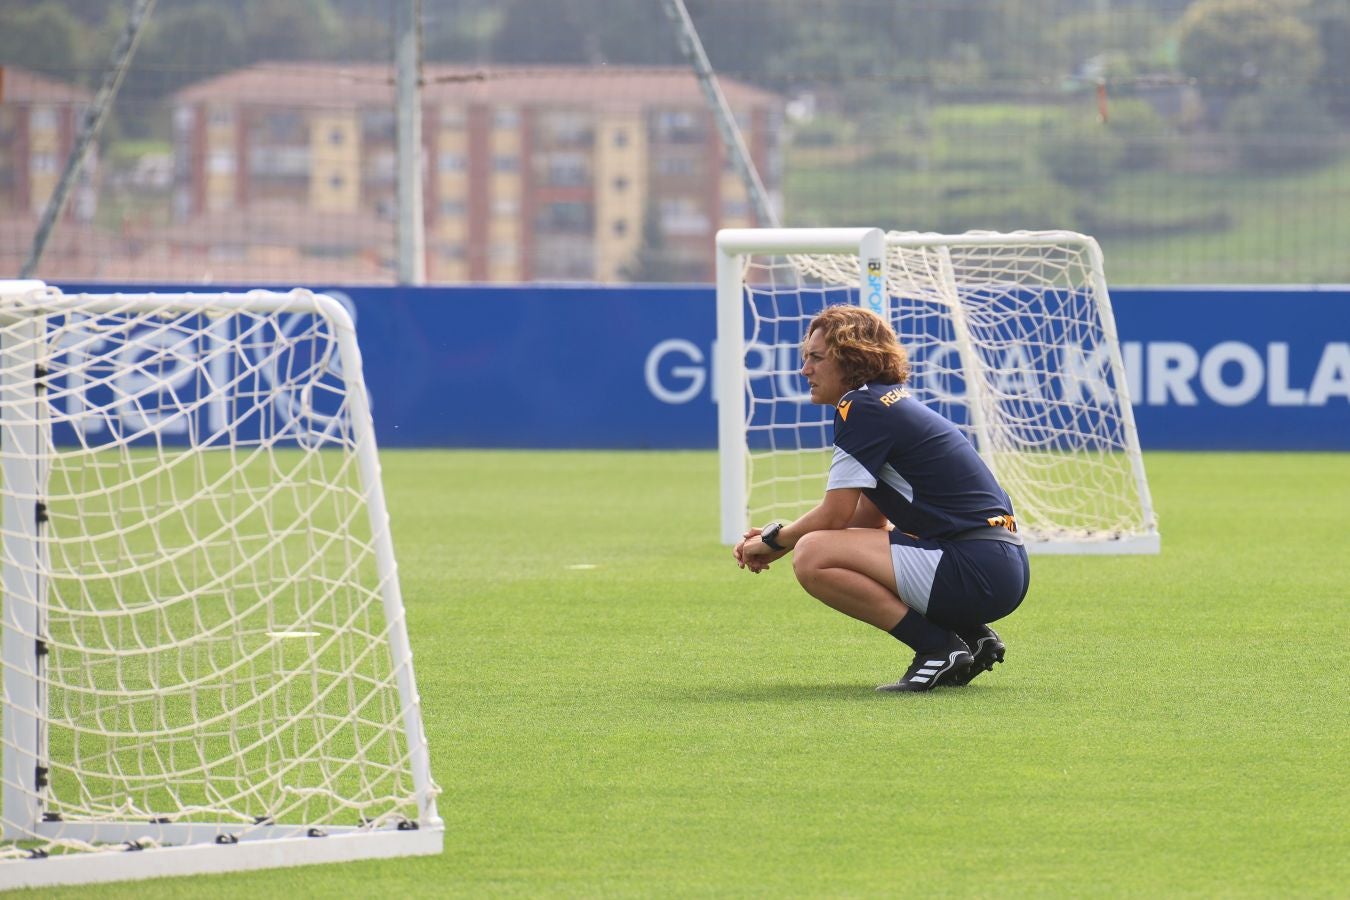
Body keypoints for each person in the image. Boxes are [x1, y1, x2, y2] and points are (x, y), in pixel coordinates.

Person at [734, 304, 1030, 692]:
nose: (804, 370)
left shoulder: (860, 407)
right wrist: (785, 538)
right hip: (998, 567)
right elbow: (870, 520)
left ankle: (937, 647)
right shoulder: (884, 402)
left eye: (816, 358)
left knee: (813, 555)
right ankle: (971, 637)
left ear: (851, 359)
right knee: (815, 545)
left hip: (975, 569)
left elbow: (835, 516)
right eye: (805, 358)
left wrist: (775, 539)